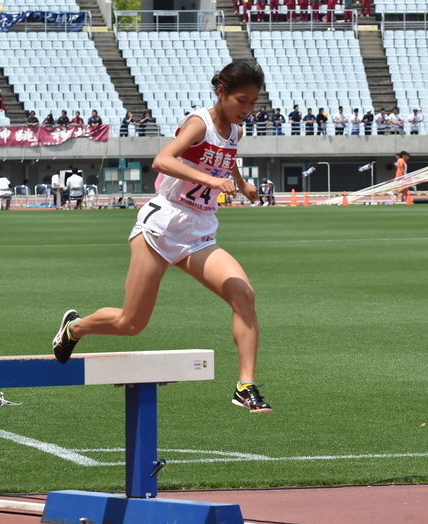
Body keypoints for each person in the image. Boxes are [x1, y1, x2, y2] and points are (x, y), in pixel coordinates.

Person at [52, 62, 270, 413]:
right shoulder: (199, 123)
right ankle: (75, 329)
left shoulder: (235, 132)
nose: (246, 110)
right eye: (241, 101)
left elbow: (226, 159)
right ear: (221, 92)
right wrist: (212, 182)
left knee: (243, 294)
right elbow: (162, 160)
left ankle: (245, 386)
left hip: (199, 231)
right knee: (131, 323)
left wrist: (241, 183)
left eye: (252, 104)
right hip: (162, 224)